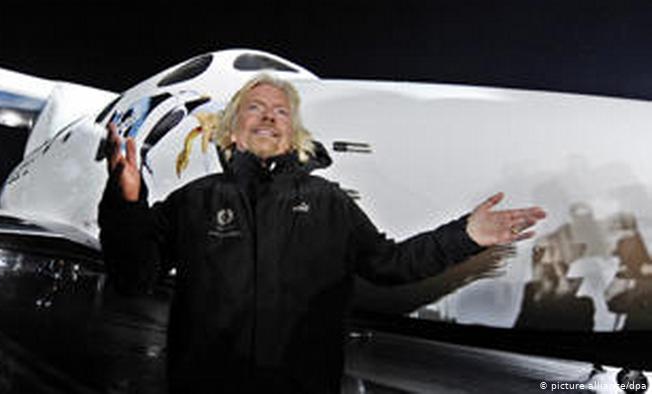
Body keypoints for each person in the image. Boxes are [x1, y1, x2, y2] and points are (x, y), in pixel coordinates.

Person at [98, 74, 546, 393]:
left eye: (280, 111)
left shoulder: (329, 202)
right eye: (255, 108)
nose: (270, 117)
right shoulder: (194, 201)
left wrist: (464, 235)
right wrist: (126, 204)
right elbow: (133, 275)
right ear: (232, 131)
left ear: (293, 134)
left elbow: (390, 265)